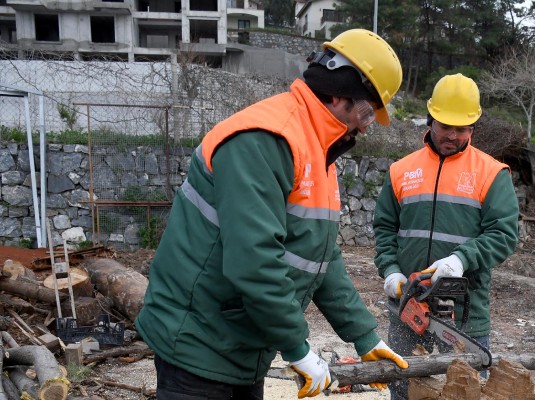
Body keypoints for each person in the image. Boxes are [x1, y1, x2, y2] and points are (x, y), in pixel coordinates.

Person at [135, 28, 409, 400]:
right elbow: (254, 260)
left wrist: (364, 336)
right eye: (365, 111)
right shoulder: (266, 140)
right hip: (197, 341)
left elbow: (322, 258)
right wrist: (297, 348)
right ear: (340, 89)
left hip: (240, 341)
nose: (364, 125)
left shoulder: (316, 149)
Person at [373, 73, 519, 400]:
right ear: (430, 119)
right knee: (404, 392)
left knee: (463, 392)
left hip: (465, 313)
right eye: (444, 126)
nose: (452, 135)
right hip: (407, 308)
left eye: (461, 129)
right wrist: (391, 269)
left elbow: (504, 234)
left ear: (473, 127)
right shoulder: (401, 170)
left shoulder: (491, 173)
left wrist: (460, 259)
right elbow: (384, 228)